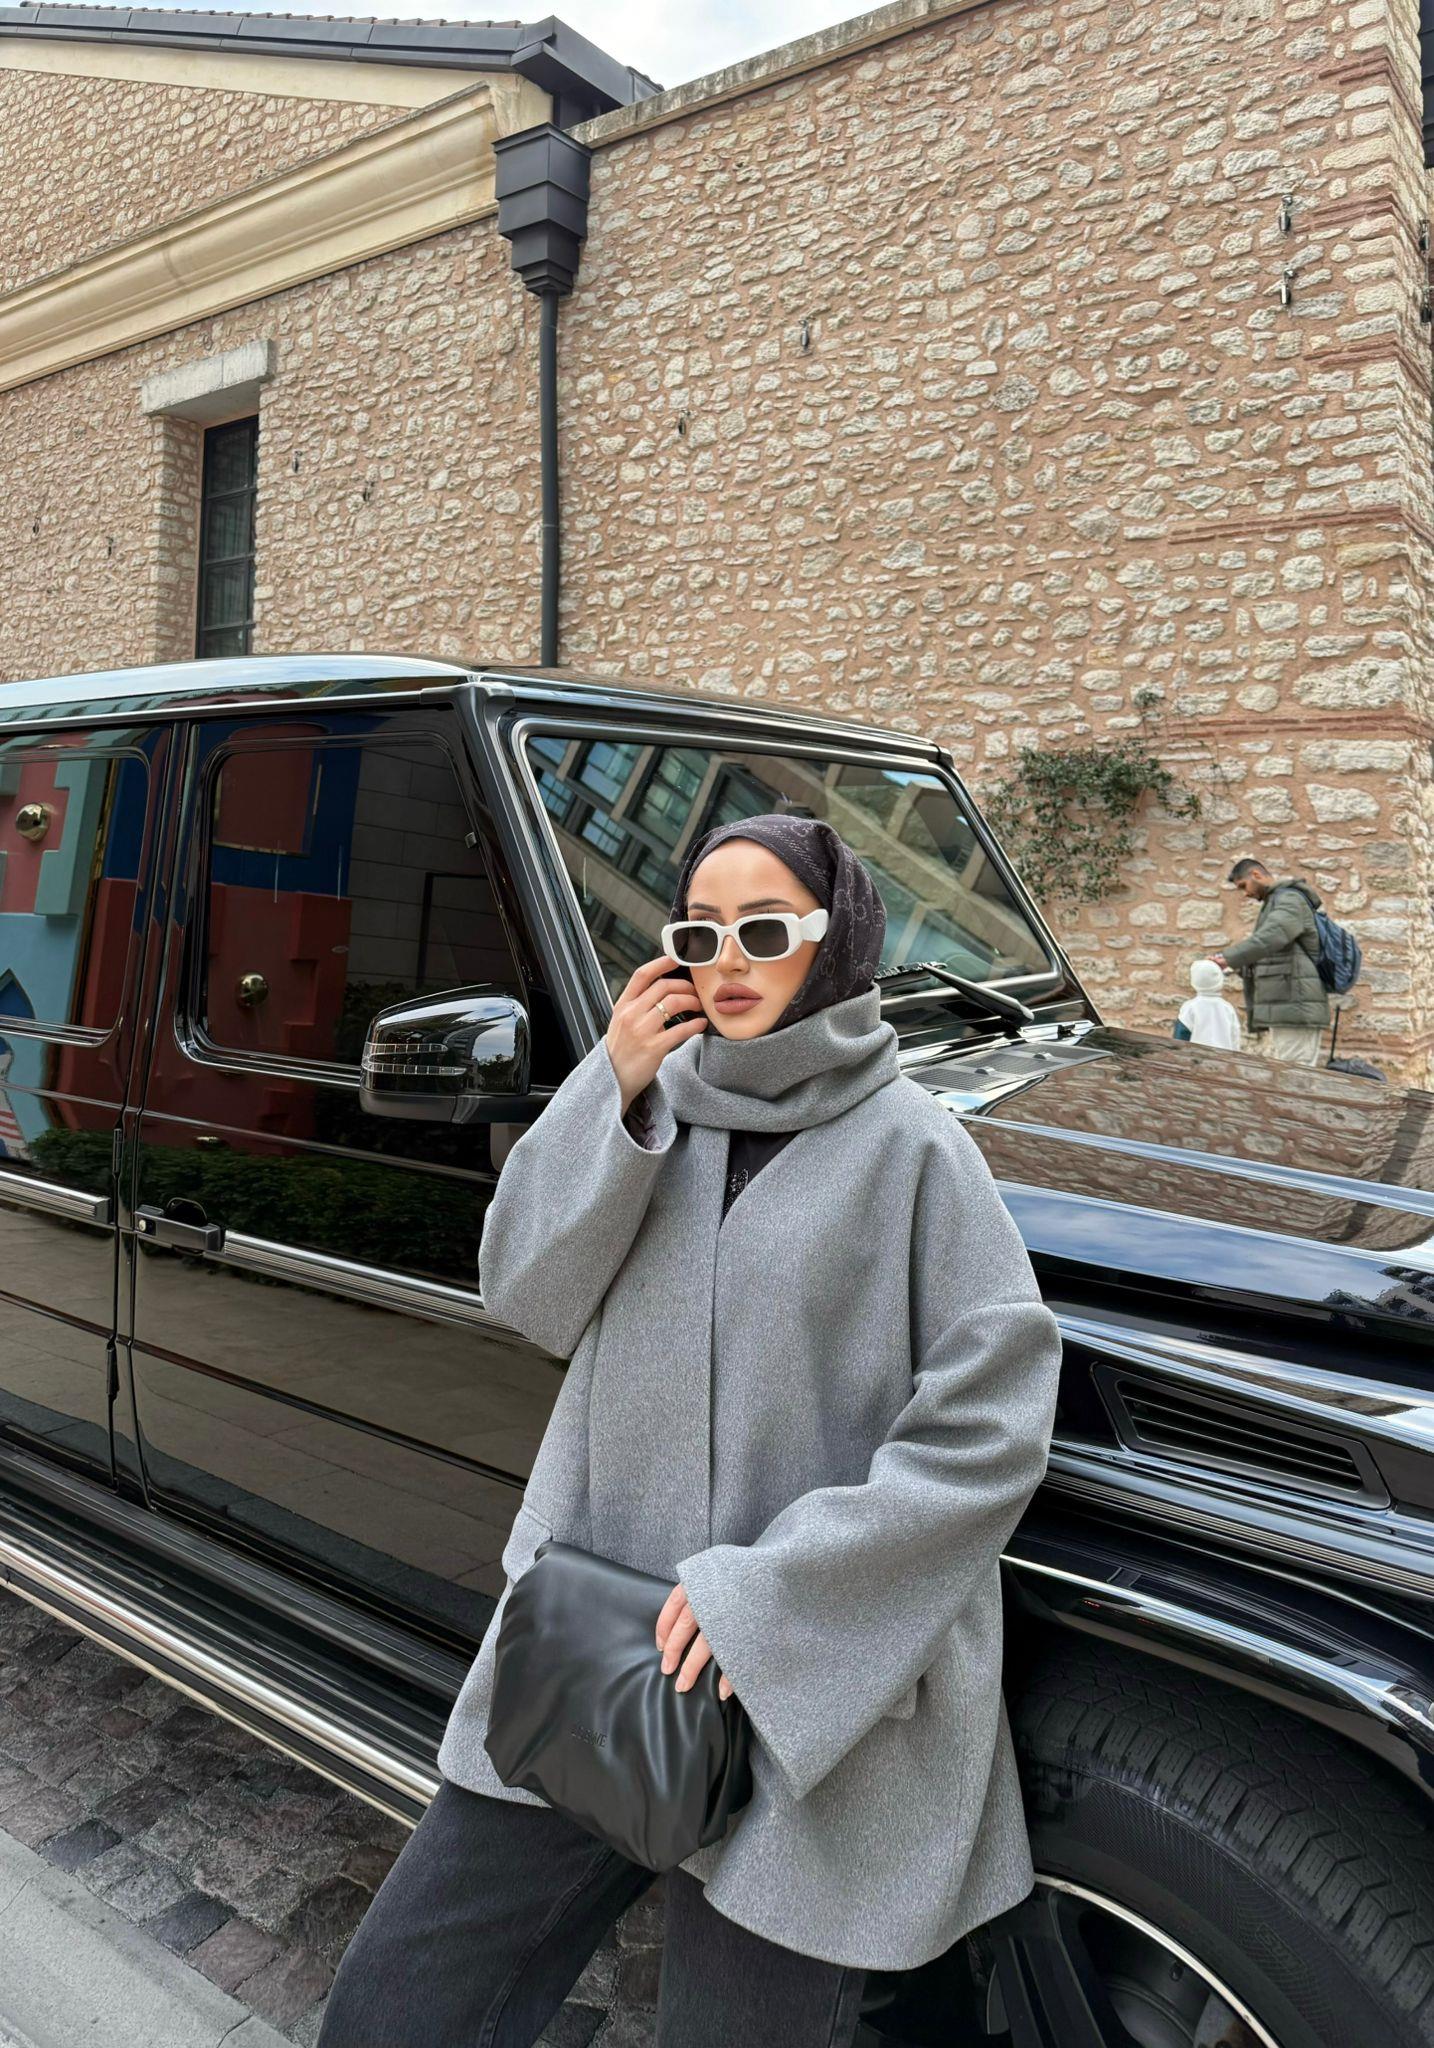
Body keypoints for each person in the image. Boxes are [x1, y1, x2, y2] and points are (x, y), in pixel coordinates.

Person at [316, 812, 1063, 2048]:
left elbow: (989, 1427)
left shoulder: (918, 1152)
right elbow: (524, 1291)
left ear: (836, 941)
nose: (729, 960)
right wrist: (606, 1083)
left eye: (764, 930)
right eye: (701, 932)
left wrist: (762, 1599)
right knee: (401, 2003)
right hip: (603, 1651)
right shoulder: (652, 1107)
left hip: (808, 1696)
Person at [1212, 856, 1329, 1068]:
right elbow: (1271, 950)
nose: (1245, 893)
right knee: (1292, 1070)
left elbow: (1271, 937)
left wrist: (1227, 958)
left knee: (1296, 1072)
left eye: (1243, 885)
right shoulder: (1276, 901)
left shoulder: (1290, 899)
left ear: (1256, 874)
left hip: (1296, 1005)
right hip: (1289, 1004)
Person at [1174, 958, 1242, 1051]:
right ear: (1219, 980)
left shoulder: (1190, 1007)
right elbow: (1235, 1036)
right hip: (1224, 1057)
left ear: (1194, 981)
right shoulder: (1228, 1008)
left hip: (1196, 1057)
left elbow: (1181, 1035)